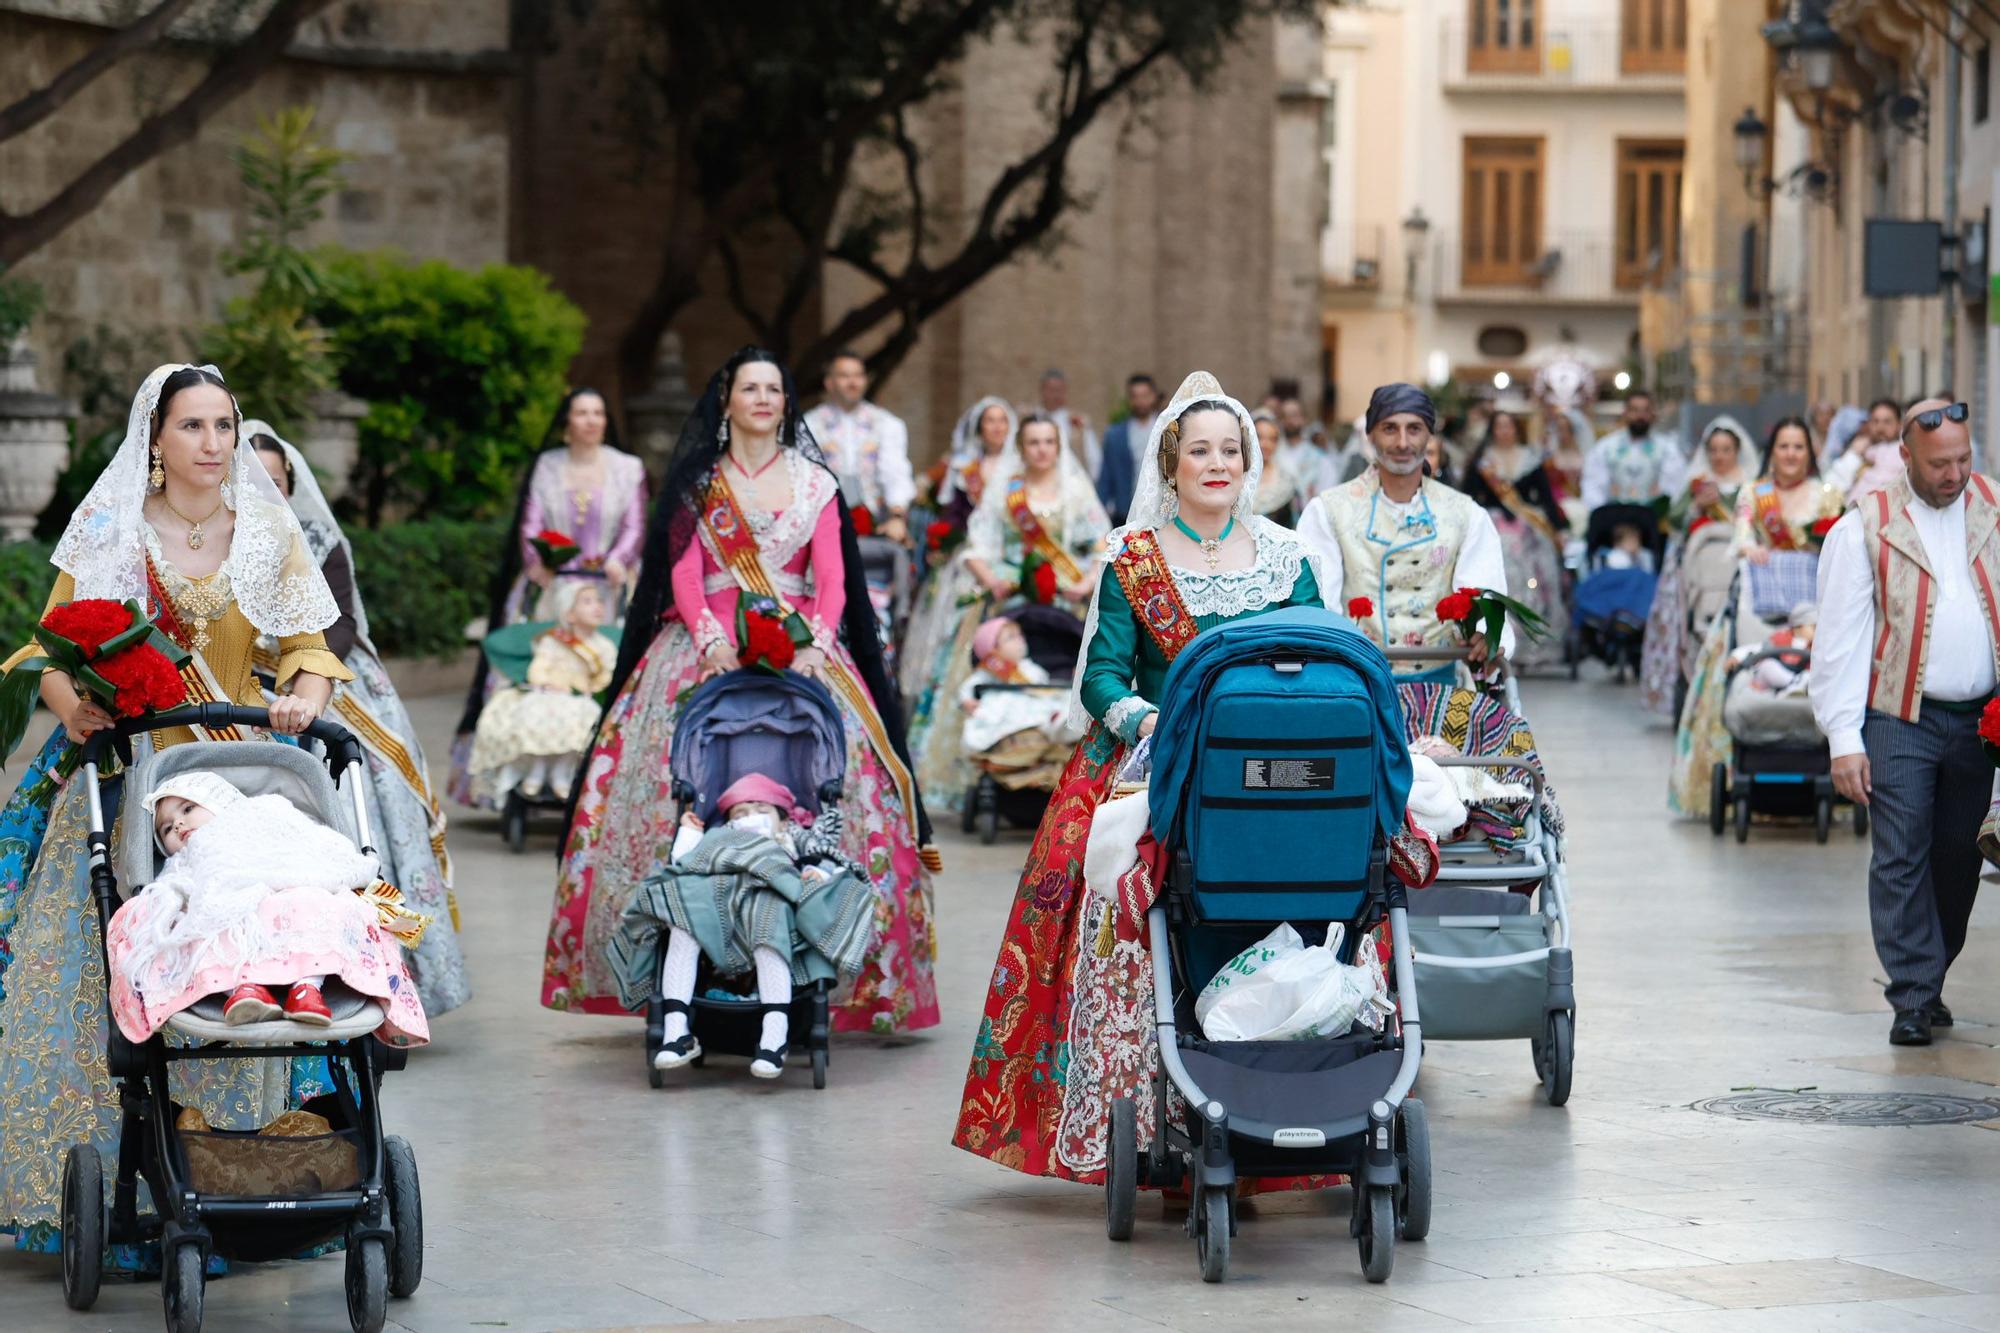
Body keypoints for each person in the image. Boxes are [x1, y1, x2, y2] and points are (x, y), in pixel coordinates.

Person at [0, 363, 353, 1256]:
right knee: (92, 962)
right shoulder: (111, 530)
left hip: (233, 762)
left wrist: (302, 699)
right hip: (123, 766)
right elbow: (49, 649)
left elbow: (312, 649)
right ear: (154, 440)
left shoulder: (268, 536)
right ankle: (98, 1179)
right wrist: (70, 704)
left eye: (224, 427)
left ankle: (235, 1163)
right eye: (192, 427)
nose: (211, 444)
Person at [952, 369, 1326, 1183]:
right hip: (1158, 758)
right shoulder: (1134, 559)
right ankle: (1149, 1102)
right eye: (1200, 450)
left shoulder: (1289, 558)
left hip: (1268, 769)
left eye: (1231, 448)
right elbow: (1101, 677)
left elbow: (1320, 666)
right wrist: (1147, 719)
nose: (1217, 463)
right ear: (1170, 465)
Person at [544, 346, 939, 1036]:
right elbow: (686, 571)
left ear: (787, 403)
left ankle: (831, 962)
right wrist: (707, 638)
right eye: (749, 388)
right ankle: (669, 957)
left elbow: (834, 576)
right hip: (706, 645)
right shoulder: (701, 483)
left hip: (802, 644)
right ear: (725, 401)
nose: (762, 398)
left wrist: (817, 639)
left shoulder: (815, 482)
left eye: (774, 389)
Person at [247, 423, 470, 1017]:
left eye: (277, 481)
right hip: (245, 692)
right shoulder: (221, 540)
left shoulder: (319, 538)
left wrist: (305, 674)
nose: (268, 492)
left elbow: (341, 620)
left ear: (291, 483)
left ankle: (395, 986)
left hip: (327, 679)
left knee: (379, 809)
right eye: (255, 482)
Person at [1813, 399, 1997, 1046]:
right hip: (1897, 718)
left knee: (1959, 857)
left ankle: (1932, 974)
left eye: (1963, 459)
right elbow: (1838, 639)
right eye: (1940, 463)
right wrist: (1843, 738)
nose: (1955, 475)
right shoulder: (1864, 525)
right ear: (1906, 458)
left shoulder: (1995, 508)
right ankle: (1912, 995)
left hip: (1982, 723)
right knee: (1901, 853)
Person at [110, 771, 429, 1045]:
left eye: (188, 808)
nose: (177, 823)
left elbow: (313, 844)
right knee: (204, 923)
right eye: (165, 829)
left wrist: (314, 876)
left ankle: (308, 988)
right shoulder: (182, 861)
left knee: (316, 904)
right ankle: (244, 989)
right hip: (231, 909)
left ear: (221, 803)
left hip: (287, 897)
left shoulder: (261, 814)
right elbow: (171, 894)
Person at [449, 388, 648, 807]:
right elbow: (531, 521)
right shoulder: (548, 465)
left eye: (598, 413)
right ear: (567, 422)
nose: (591, 420)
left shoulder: (627, 468)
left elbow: (635, 523)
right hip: (554, 588)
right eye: (582, 413)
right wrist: (538, 558)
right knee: (538, 665)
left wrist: (618, 558)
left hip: (608, 589)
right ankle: (524, 767)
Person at [610, 773, 877, 1079]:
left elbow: (831, 862)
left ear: (784, 820)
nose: (751, 818)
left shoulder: (793, 840)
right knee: (683, 922)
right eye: (740, 813)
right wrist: (688, 834)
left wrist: (817, 873)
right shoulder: (719, 838)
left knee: (769, 921)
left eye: (762, 810)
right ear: (729, 824)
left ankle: (774, 1038)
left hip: (768, 906)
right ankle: (676, 1032)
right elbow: (686, 864)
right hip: (715, 906)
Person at [905, 413, 1109, 814]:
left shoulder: (1075, 489)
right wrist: (994, 581)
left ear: (1059, 445)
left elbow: (1101, 544)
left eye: (1048, 441)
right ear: (1021, 448)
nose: (1041, 450)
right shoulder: (1007, 492)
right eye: (1033, 442)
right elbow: (976, 548)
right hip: (1010, 604)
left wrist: (1084, 584)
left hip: (1064, 603)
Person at [1297, 382, 1515, 668]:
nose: (1402, 443)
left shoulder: (1465, 514)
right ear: (1370, 434)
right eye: (1389, 428)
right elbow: (1319, 607)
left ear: (1429, 436)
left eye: (1414, 429)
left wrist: (1485, 634)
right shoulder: (1327, 510)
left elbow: (1483, 591)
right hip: (1356, 681)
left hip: (1441, 677)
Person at [1639, 416, 1759, 719]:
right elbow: (1676, 520)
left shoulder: (1751, 483)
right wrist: (1697, 506)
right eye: (1714, 450)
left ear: (1736, 451)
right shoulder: (1698, 482)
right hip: (1698, 571)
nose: (1719, 457)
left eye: (1726, 450)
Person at [466, 580, 616, 804]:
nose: (597, 607)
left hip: (580, 698)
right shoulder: (552, 641)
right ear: (570, 613)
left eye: (598, 601)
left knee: (585, 721)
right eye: (587, 602)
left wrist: (591, 688)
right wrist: (548, 683)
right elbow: (538, 669)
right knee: (536, 714)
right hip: (551, 694)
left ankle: (562, 773)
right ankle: (537, 768)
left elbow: (606, 675)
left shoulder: (604, 647)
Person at [1457, 409, 1569, 669]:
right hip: (1494, 525)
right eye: (1499, 426)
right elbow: (1468, 498)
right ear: (1492, 430)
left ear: (1516, 429)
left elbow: (1546, 498)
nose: (1504, 431)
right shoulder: (1482, 462)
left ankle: (1533, 640)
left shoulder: (1531, 459)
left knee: (1535, 576)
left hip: (1528, 527)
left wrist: (1559, 529)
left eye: (1509, 426)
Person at [803, 350, 916, 542]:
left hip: (875, 525)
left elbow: (895, 474)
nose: (853, 382)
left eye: (858, 375)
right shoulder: (809, 425)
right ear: (829, 383)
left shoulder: (887, 424)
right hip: (820, 526)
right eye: (844, 376)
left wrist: (896, 516)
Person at [1734, 417, 1845, 564]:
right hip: (1766, 578)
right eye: (1783, 446)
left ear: (1809, 453)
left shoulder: (1828, 495)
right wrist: (1750, 549)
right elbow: (1742, 535)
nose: (1790, 454)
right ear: (1772, 452)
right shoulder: (1752, 492)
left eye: (1799, 447)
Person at [1581, 390, 1685, 511]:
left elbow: (1674, 488)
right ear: (1625, 413)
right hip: (1613, 516)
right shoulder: (1605, 447)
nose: (1640, 416)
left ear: (1652, 414)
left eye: (1645, 411)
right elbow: (1593, 486)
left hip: (1653, 518)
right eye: (1634, 410)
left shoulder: (1668, 449)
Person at [1095, 373, 1161, 525]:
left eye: (1145, 395)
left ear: (1153, 396)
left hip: (1160, 511)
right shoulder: (1115, 434)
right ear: (1129, 399)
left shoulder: (1166, 429)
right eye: (1135, 396)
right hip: (1124, 512)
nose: (1140, 401)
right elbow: (1106, 475)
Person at [1828, 396, 1907, 503]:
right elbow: (1832, 487)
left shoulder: (1905, 455)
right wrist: (1854, 454)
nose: (1880, 427)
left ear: (1899, 425)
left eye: (1887, 422)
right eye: (1875, 421)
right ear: (1868, 424)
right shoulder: (1857, 451)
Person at [1034, 367, 1100, 479]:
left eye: (1059, 390)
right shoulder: (1030, 418)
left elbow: (1094, 457)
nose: (1055, 395)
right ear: (1042, 390)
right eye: (1051, 390)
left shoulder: (1078, 422)